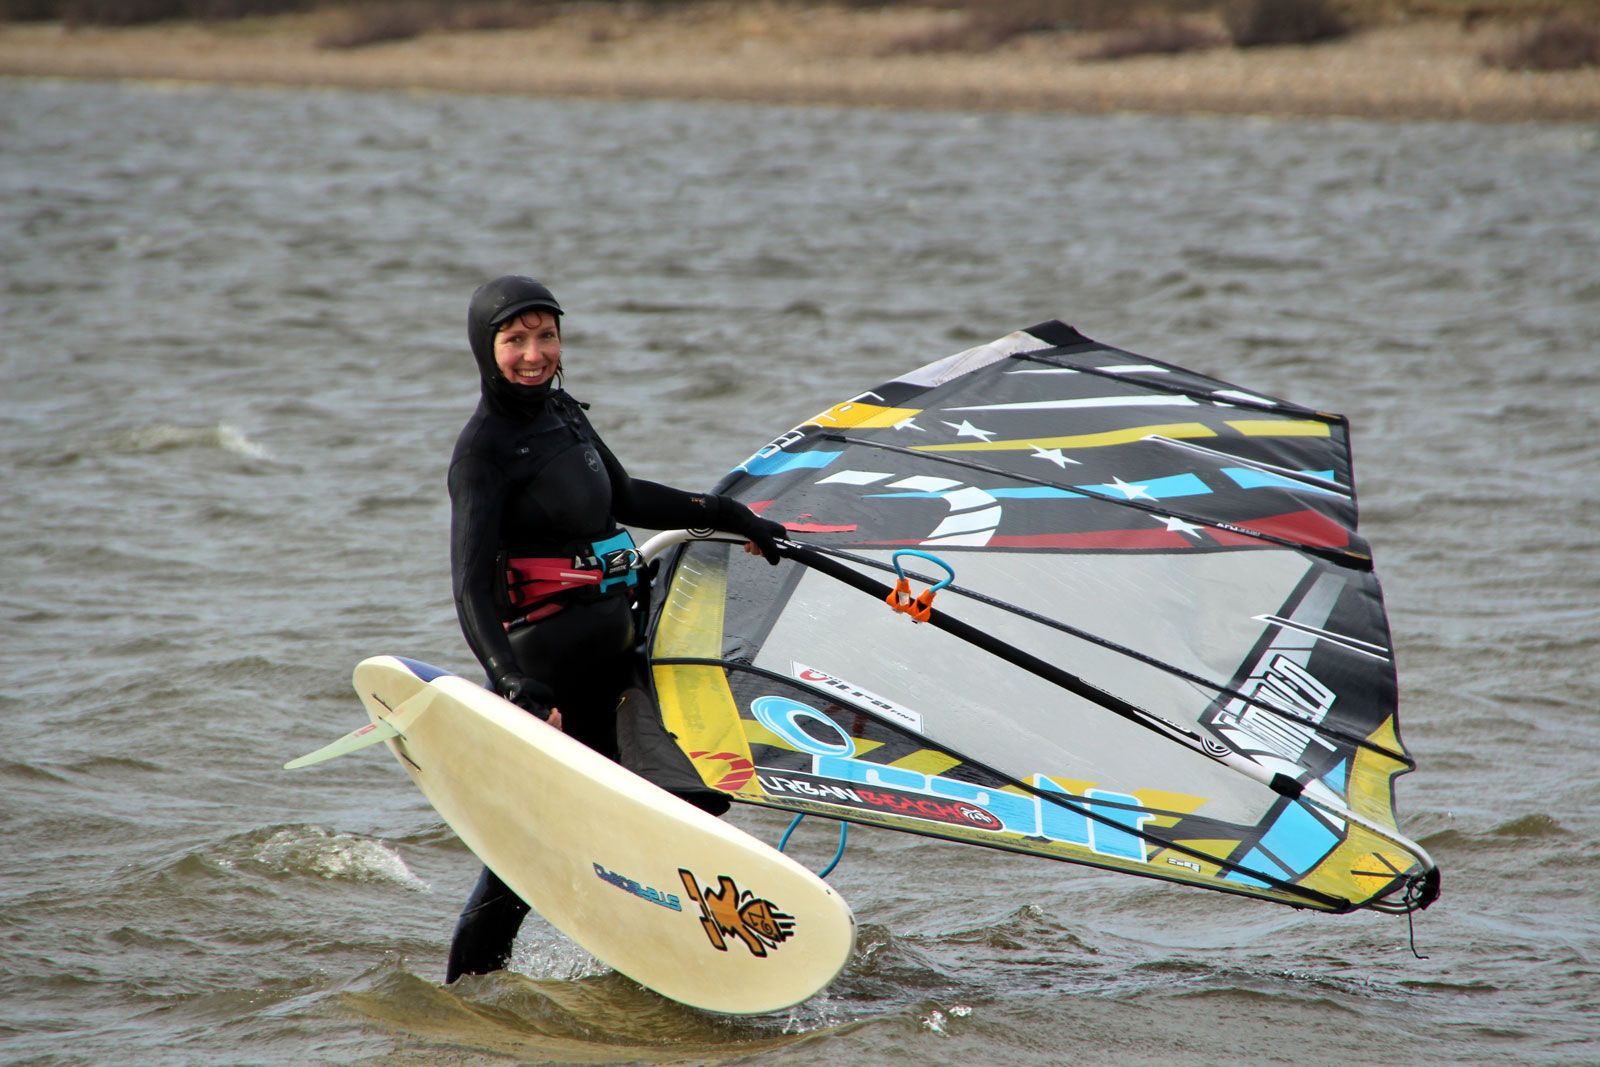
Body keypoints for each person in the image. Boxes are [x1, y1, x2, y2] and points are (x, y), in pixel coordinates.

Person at [443, 275, 785, 983]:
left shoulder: (561, 413)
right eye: (515, 339)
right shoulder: (484, 451)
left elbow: (625, 497)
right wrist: (513, 683)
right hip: (551, 681)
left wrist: (733, 515)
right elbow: (470, 584)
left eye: (546, 335)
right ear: (486, 348)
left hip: (610, 665)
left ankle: (669, 962)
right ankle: (463, 1006)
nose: (534, 354)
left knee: (679, 801)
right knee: (519, 867)